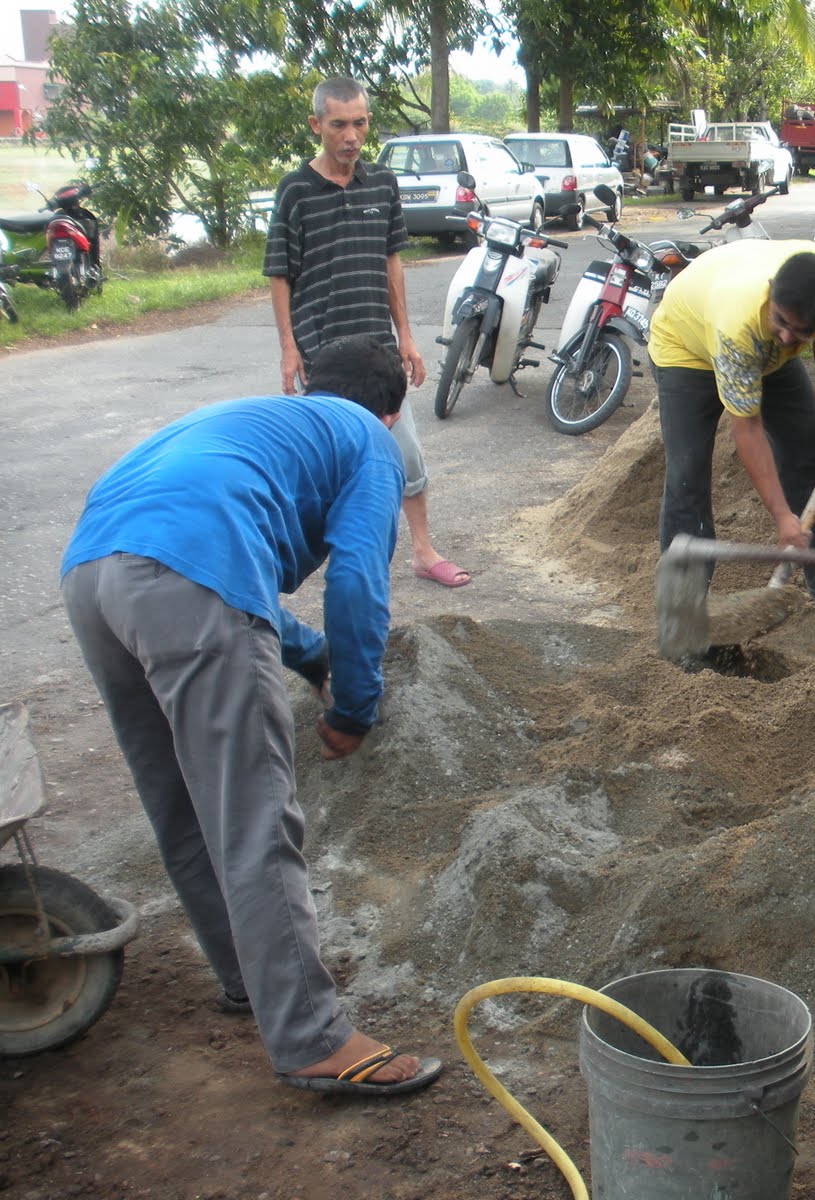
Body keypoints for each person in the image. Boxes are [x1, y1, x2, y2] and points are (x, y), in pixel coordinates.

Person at [60, 334, 442, 1096]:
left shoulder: (267, 422)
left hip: (92, 573)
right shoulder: (371, 439)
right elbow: (359, 580)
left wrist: (309, 657)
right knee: (255, 818)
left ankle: (248, 978)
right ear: (392, 410)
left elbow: (226, 585)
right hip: (180, 571)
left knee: (181, 801)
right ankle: (311, 1036)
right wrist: (356, 706)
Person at [264, 75, 470, 590]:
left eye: (359, 123)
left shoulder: (382, 183)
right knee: (328, 466)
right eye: (338, 125)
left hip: (379, 353)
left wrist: (407, 336)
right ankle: (334, 567)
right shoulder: (294, 191)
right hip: (325, 357)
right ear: (317, 126)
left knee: (405, 455)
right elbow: (279, 274)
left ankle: (422, 551)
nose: (351, 135)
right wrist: (289, 349)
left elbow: (391, 261)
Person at [649, 240, 815, 629]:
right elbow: (747, 429)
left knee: (810, 448)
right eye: (781, 321)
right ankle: (681, 609)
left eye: (801, 333)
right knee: (688, 473)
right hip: (685, 345)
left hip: (753, 341)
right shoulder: (739, 323)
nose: (787, 338)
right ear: (770, 291)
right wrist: (782, 516)